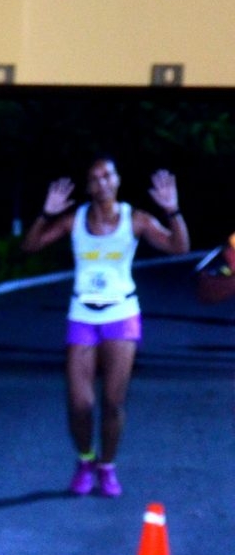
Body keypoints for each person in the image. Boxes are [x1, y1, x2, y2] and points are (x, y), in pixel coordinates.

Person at [20, 157, 188, 496]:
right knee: (80, 404)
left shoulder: (135, 219)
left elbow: (178, 247)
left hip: (122, 313)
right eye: (94, 178)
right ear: (89, 186)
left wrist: (172, 211)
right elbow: (30, 246)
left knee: (112, 402)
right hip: (82, 314)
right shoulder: (75, 220)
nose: (102, 182)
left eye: (107, 175)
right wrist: (46, 213)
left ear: (117, 180)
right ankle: (85, 460)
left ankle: (107, 466)